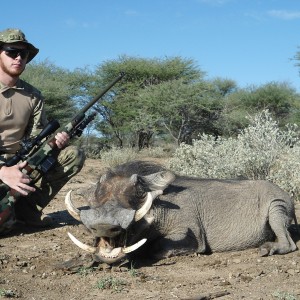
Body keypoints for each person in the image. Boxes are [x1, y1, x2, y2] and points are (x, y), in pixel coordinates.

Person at [0, 28, 85, 232]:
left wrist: (56, 143)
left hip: (20, 164)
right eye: (12, 52)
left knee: (72, 155)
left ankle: (27, 213)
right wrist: (3, 171)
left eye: (24, 54)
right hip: (4, 168)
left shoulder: (33, 96)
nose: (18, 58)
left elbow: (37, 138)